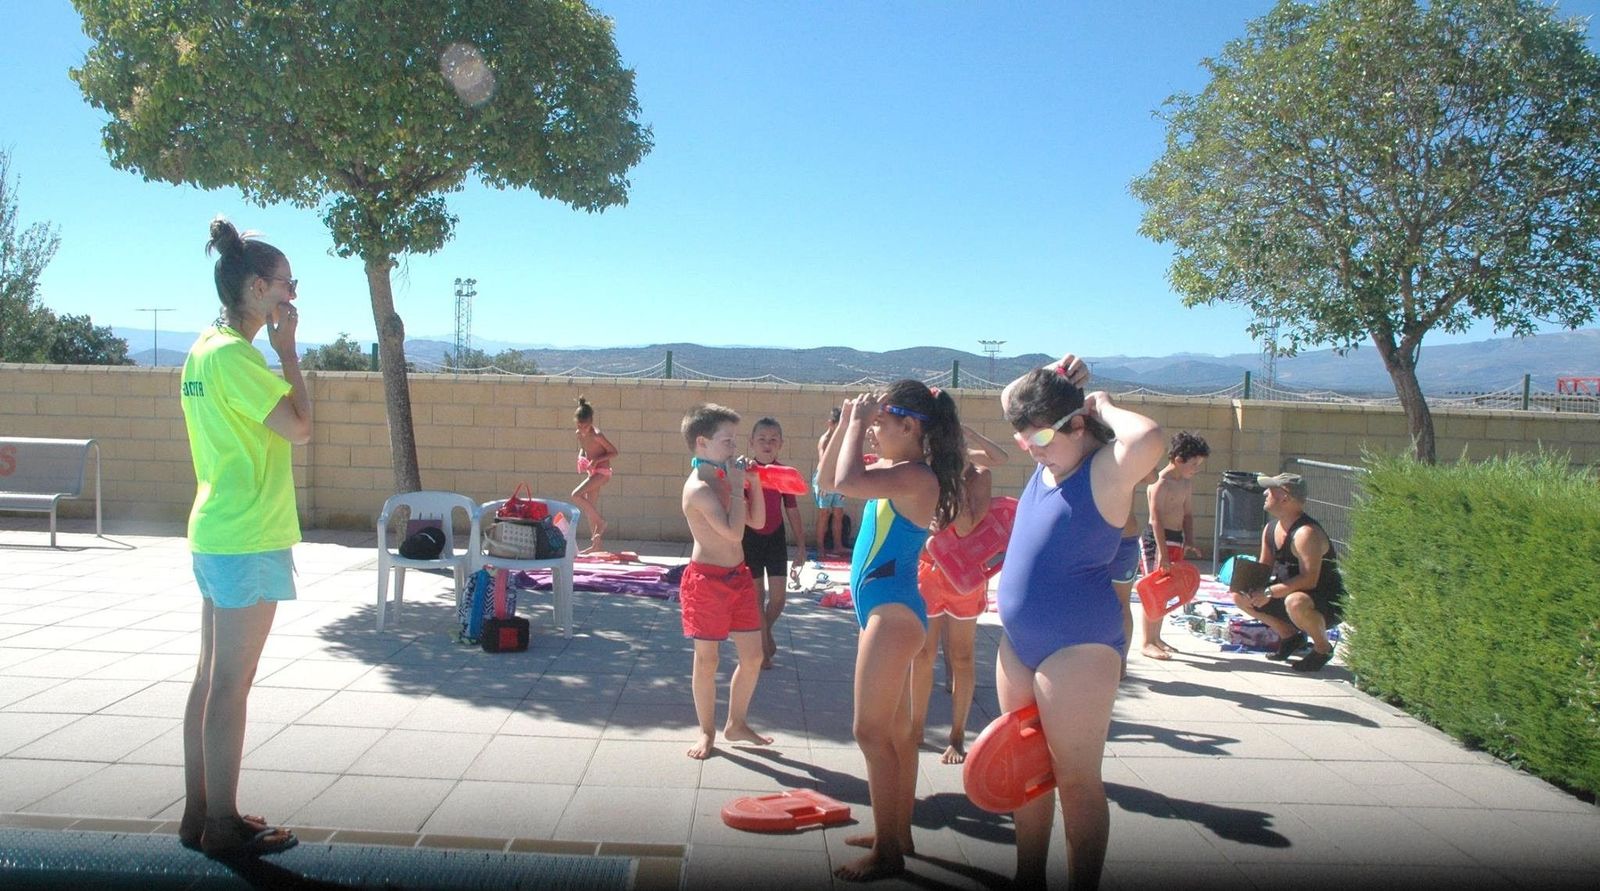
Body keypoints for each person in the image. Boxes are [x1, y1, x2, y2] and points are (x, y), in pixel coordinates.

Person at [997, 354, 1164, 890]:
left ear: (1077, 425)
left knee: (1075, 781)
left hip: (1078, 648)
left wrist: (1102, 404)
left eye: (1041, 437)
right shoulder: (1050, 459)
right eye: (1024, 439)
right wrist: (1052, 376)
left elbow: (1151, 438)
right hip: (1018, 643)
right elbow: (1012, 399)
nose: (1031, 448)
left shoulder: (1104, 470)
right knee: (1026, 772)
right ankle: (1027, 879)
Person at [178, 217, 311, 858]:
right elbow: (299, 428)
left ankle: (199, 814)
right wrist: (289, 353)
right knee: (232, 682)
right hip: (247, 533)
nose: (293, 293)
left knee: (210, 677)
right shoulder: (237, 356)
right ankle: (223, 826)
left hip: (215, 529)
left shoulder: (203, 349)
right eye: (287, 283)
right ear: (258, 288)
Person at [817, 381, 965, 882]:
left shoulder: (917, 477)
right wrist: (847, 423)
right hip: (883, 612)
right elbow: (828, 481)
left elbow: (847, 481)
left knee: (869, 731)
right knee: (897, 735)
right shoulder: (894, 470)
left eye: (881, 423)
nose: (874, 431)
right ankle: (896, 834)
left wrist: (857, 422)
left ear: (910, 425)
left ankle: (887, 855)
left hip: (893, 615)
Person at [678, 403, 774, 759]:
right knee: (708, 661)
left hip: (738, 577)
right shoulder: (699, 488)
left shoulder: (723, 479)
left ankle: (737, 722)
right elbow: (734, 533)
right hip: (707, 582)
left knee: (753, 656)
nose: (735, 448)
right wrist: (735, 487)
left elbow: (758, 522)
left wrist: (754, 484)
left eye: (735, 440)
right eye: (727, 441)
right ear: (701, 443)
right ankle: (707, 732)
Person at [910, 424, 1008, 765]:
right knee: (923, 653)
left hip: (963, 576)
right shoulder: (927, 472)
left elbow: (967, 525)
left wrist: (956, 478)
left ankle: (956, 736)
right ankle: (916, 729)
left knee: (962, 656)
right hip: (930, 570)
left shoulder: (977, 475)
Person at [1232, 472, 1345, 672]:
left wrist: (1269, 592)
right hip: (1287, 595)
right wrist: (1247, 586)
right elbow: (1263, 568)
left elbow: (1309, 580)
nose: (1265, 493)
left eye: (1271, 490)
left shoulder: (1306, 533)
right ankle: (1290, 636)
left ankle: (1322, 649)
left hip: (1324, 602)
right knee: (1240, 596)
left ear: (1285, 497)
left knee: (1295, 602)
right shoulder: (1270, 528)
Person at [1140, 431, 1211, 660]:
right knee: (1154, 589)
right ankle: (1147, 641)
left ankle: (1157, 637)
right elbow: (1156, 520)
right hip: (1156, 541)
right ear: (1179, 459)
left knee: (1167, 590)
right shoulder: (1160, 483)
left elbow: (1187, 514)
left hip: (1176, 538)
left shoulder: (1185, 483)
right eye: (1194, 464)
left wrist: (1189, 540)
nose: (1196, 469)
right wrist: (1162, 553)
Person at [743, 417, 806, 669]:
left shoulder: (783, 474)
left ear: (780, 444)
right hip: (750, 539)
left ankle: (765, 630)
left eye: (772, 440)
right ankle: (762, 652)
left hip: (775, 538)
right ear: (751, 442)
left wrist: (801, 546)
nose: (767, 444)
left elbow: (792, 510)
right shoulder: (745, 472)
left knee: (779, 599)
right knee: (757, 598)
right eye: (761, 439)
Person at [1110, 468, 1160, 676]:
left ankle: (1121, 662)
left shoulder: (1121, 457)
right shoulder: (1082, 456)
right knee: (1086, 600)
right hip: (1093, 541)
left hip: (1122, 539)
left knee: (1121, 603)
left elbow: (1152, 476)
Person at [571, 395, 617, 553]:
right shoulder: (579, 434)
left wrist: (596, 460)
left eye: (585, 426)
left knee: (576, 495)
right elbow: (584, 448)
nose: (583, 429)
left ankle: (601, 523)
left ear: (591, 423)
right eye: (579, 425)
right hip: (593, 472)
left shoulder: (597, 434)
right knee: (590, 508)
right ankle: (596, 545)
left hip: (602, 472)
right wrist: (581, 457)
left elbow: (614, 452)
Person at [813, 407, 848, 559]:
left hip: (837, 480)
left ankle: (838, 546)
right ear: (831, 424)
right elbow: (823, 462)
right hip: (825, 479)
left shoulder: (843, 440)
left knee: (838, 513)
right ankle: (820, 547)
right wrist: (823, 483)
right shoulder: (825, 439)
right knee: (824, 514)